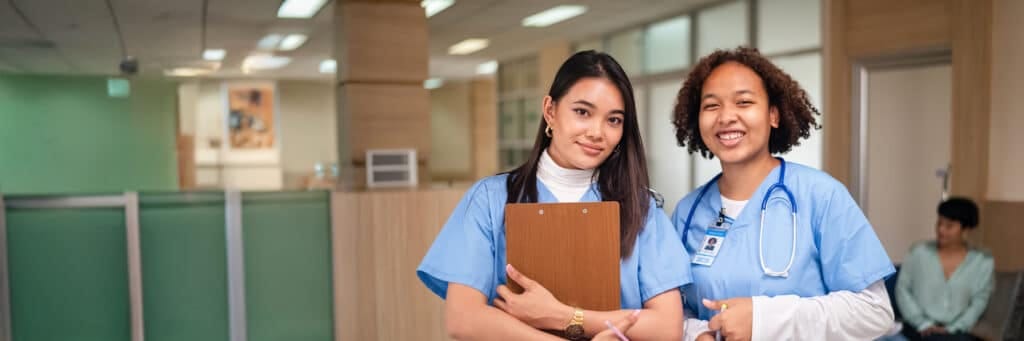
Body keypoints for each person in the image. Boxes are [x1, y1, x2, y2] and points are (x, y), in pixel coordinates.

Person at [417, 50, 691, 340]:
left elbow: (665, 327)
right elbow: (464, 319)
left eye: (613, 120)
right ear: (550, 110)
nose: (597, 132)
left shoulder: (641, 207)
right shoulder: (490, 199)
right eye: (582, 112)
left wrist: (563, 316)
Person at [670, 47, 896, 340]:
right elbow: (674, 311)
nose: (726, 116)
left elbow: (874, 312)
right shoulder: (688, 212)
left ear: (773, 115)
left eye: (744, 102)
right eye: (711, 106)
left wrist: (765, 319)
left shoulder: (821, 196)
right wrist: (698, 332)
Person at [896, 197, 994, 341]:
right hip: (919, 329)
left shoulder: (982, 261)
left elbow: (980, 300)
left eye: (949, 226)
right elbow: (903, 289)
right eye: (939, 223)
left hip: (958, 331)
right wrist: (922, 323)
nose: (941, 230)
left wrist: (954, 327)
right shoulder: (919, 252)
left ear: (965, 229)